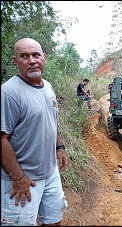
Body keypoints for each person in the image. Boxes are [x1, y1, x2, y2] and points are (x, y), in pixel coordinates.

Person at [1, 38, 69, 226]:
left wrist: (60, 147)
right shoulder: (9, 93)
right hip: (23, 179)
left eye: (36, 55)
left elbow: (51, 119)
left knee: (54, 220)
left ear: (44, 58)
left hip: (50, 172)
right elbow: (1, 139)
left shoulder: (47, 86)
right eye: (24, 56)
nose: (31, 60)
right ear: (16, 61)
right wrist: (18, 177)